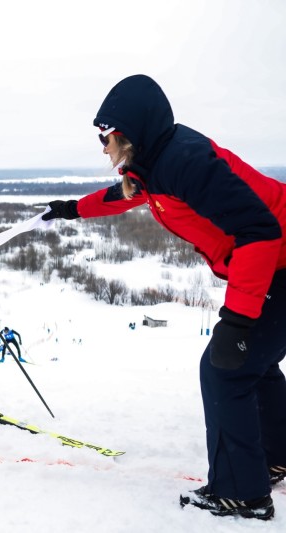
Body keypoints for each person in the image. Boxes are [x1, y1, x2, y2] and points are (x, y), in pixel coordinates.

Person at [41, 74, 286, 520]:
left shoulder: (185, 163)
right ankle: (274, 456)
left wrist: (239, 319)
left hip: (279, 263)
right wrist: (72, 209)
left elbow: (260, 231)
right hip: (275, 265)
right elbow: (126, 195)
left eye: (106, 135)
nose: (102, 146)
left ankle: (242, 493)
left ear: (131, 131)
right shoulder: (155, 163)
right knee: (254, 365)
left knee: (224, 371)